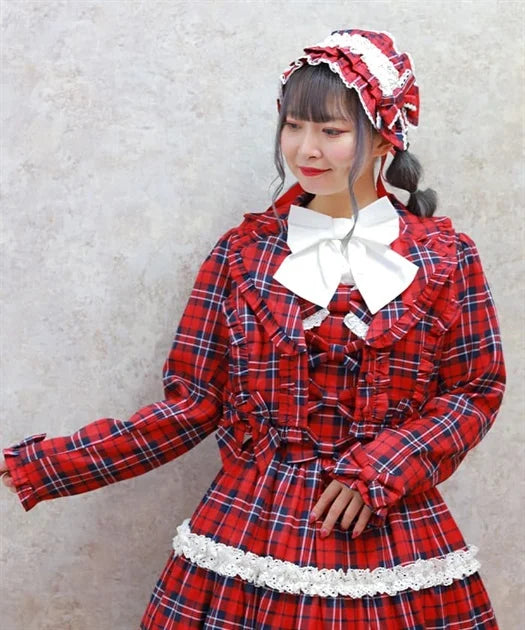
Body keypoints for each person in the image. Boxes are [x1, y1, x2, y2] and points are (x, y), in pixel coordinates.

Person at [1, 28, 506, 629]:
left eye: (331, 131)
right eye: (293, 125)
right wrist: (44, 463)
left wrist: (386, 467)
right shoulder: (242, 255)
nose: (306, 149)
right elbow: (192, 404)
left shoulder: (446, 257)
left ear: (382, 137)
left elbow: (475, 391)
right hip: (250, 534)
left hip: (394, 538)